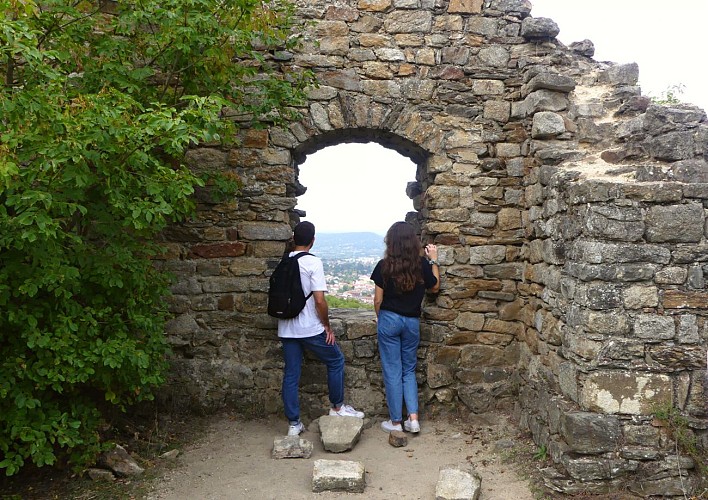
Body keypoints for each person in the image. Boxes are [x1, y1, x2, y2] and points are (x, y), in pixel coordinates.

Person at [278, 221, 364, 436]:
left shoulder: (283, 261)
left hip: (287, 328)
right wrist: (326, 325)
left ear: (294, 239)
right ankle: (337, 407)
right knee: (336, 360)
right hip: (309, 327)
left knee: (291, 374)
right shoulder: (312, 263)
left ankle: (294, 423)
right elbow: (319, 300)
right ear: (313, 241)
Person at [370, 221, 440, 433]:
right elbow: (435, 287)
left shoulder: (384, 266)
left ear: (391, 242)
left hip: (389, 319)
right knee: (408, 370)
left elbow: (377, 301)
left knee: (393, 371)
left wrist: (381, 319)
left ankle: (395, 423)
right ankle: (414, 418)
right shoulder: (420, 265)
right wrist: (434, 261)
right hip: (411, 322)